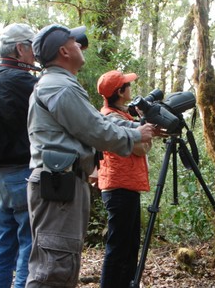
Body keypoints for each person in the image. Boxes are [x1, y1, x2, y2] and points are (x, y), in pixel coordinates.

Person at [25, 24, 159, 288]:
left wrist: (140, 128)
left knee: (61, 264)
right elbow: (95, 129)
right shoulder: (59, 87)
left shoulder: (61, 84)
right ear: (64, 51)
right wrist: (135, 136)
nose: (80, 45)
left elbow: (96, 120)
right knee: (53, 269)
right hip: (58, 184)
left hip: (64, 182)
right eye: (75, 42)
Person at [0, 23, 39, 288]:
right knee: (30, 242)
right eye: (32, 46)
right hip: (21, 172)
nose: (36, 54)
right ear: (20, 48)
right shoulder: (21, 81)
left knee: (2, 240)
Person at [95, 70, 152, 288]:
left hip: (126, 185)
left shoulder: (122, 115)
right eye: (127, 85)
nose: (130, 87)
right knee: (119, 247)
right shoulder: (112, 117)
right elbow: (140, 148)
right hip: (119, 187)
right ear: (120, 91)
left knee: (129, 247)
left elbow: (143, 145)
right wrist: (143, 139)